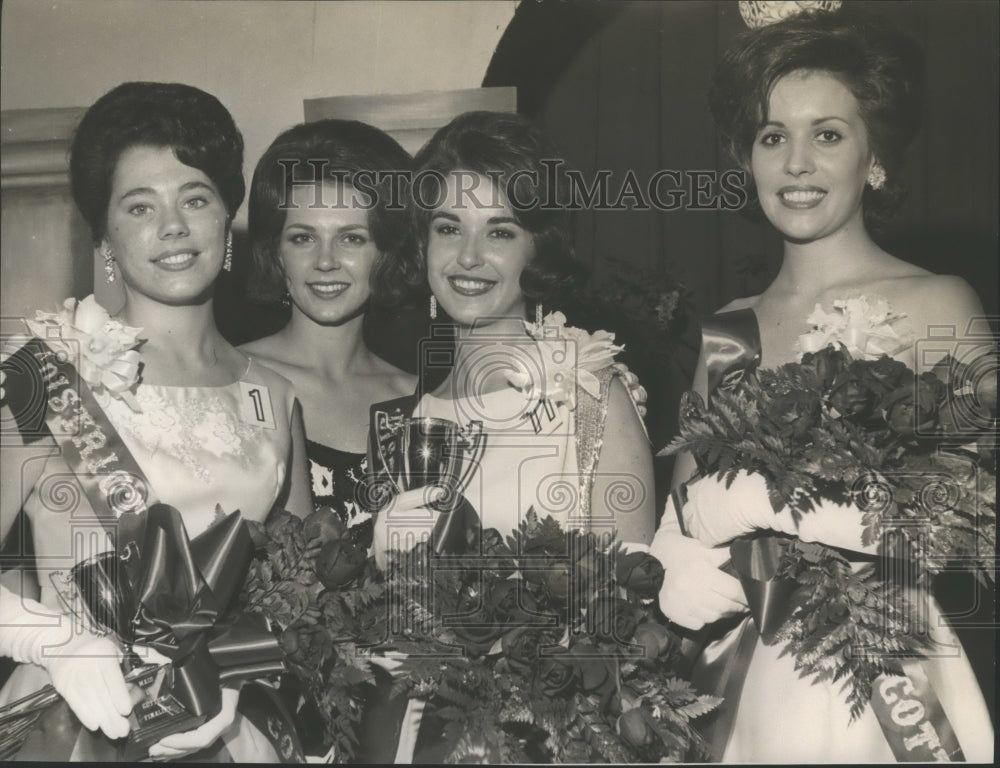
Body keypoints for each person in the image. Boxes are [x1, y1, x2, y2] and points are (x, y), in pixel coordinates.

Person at [651, 7, 993, 762]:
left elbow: (976, 513)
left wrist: (804, 512)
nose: (797, 162)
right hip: (742, 678)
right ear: (748, 159)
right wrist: (670, 558)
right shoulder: (728, 330)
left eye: (827, 134)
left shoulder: (938, 302)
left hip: (887, 678)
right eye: (773, 137)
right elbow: (687, 504)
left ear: (876, 160)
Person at [0, 81, 311, 762]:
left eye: (194, 199)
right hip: (82, 724)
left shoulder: (276, 396)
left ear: (227, 218)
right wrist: (58, 643)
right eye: (140, 206)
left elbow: (299, 588)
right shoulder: (45, 376)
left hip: (229, 729)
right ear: (105, 239)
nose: (172, 227)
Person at [373, 109, 655, 562]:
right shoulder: (409, 418)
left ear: (538, 248)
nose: (468, 256)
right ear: (423, 243)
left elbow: (631, 610)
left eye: (499, 232)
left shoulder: (588, 398)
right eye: (448, 228)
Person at [241, 119, 423, 550]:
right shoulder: (237, 380)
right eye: (303, 237)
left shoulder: (421, 401)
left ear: (388, 252)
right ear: (276, 252)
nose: (325, 262)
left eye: (352, 238)